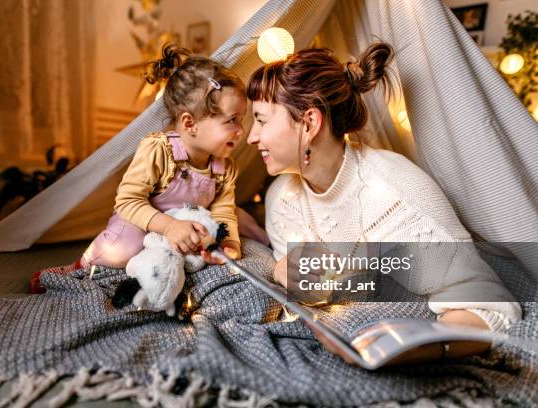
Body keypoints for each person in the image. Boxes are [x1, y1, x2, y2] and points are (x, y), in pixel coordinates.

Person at [246, 43, 521, 363]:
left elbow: (490, 304)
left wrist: (419, 347)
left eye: (261, 120)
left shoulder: (394, 193)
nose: (251, 137)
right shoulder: (280, 195)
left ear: (309, 123)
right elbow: (312, 288)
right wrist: (283, 268)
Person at [30, 44, 247, 293]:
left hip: (181, 235)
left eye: (242, 119)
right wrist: (168, 226)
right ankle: (80, 267)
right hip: (143, 225)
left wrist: (229, 243)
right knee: (121, 249)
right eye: (232, 121)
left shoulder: (225, 168)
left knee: (204, 253)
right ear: (190, 123)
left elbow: (223, 211)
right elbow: (127, 202)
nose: (241, 130)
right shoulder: (159, 150)